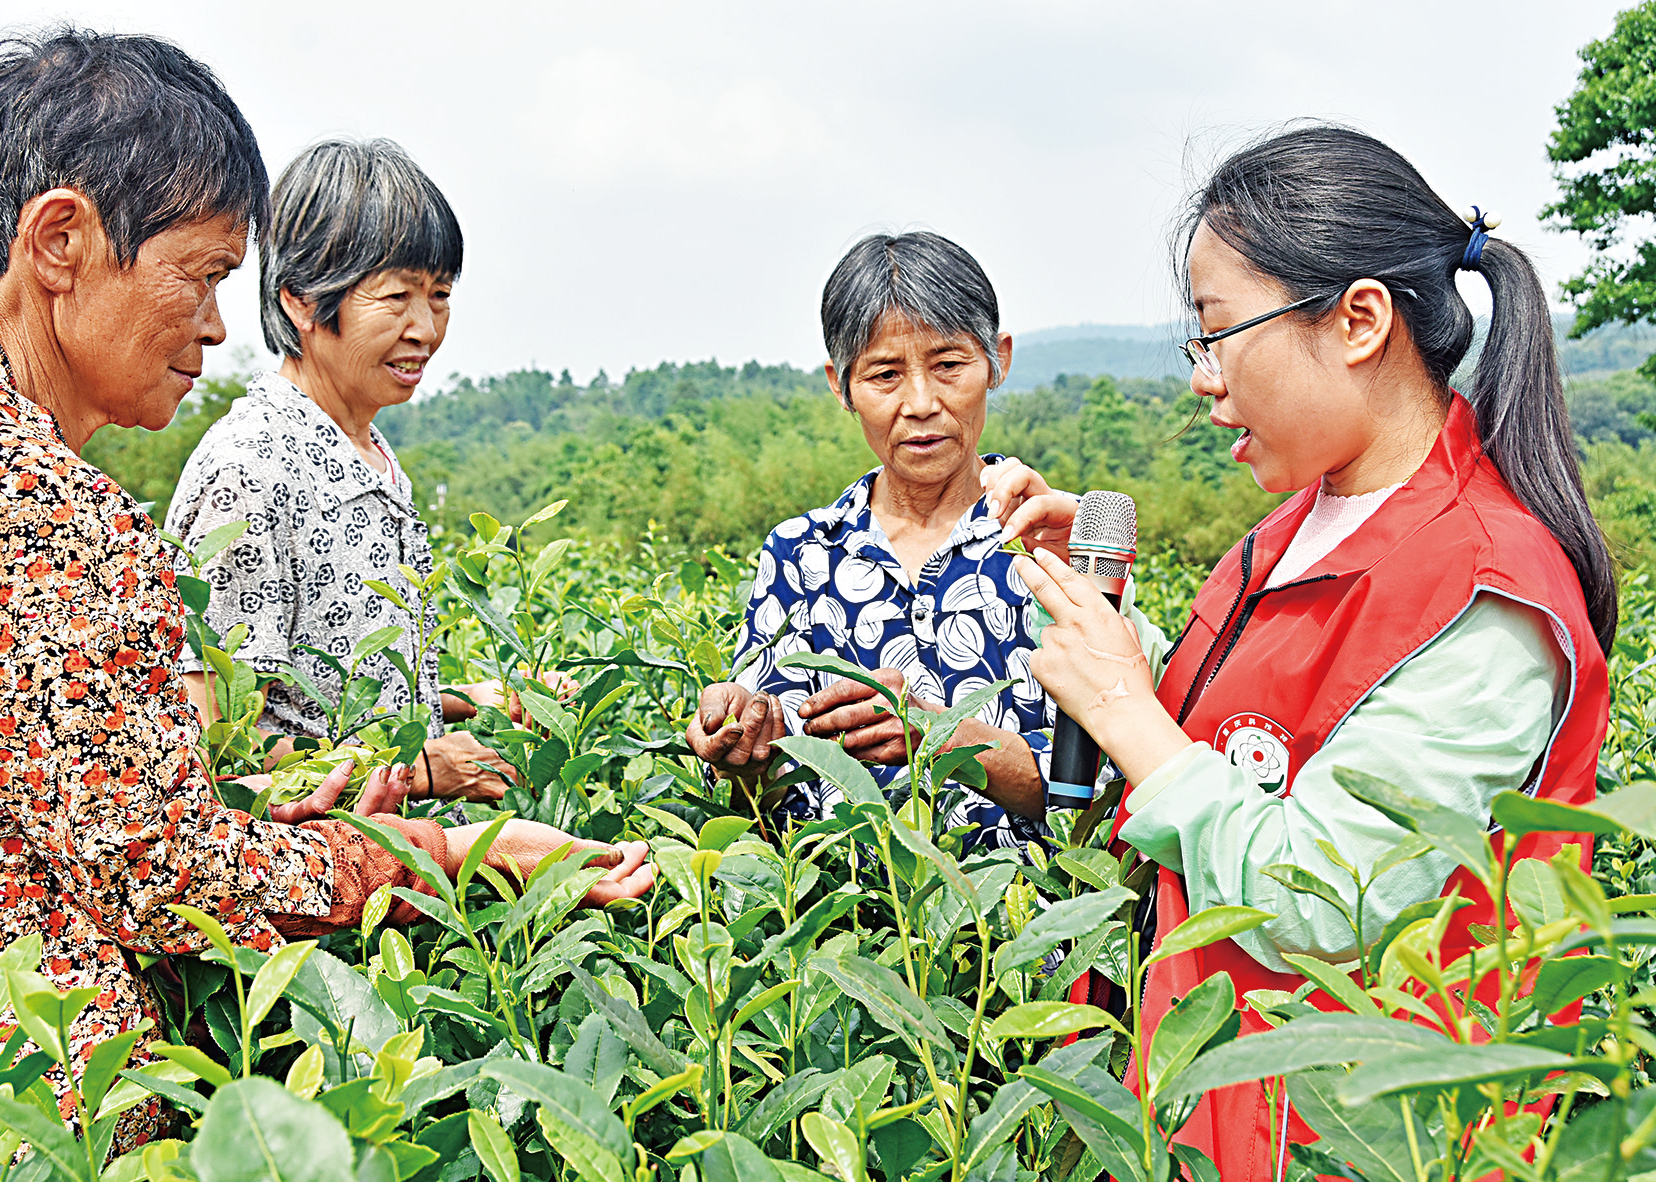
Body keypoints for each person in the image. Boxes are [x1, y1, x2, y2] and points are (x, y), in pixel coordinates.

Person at [0, 29, 651, 1142]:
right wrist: (441, 853)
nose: (209, 323)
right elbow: (162, 870)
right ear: (61, 241)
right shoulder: (39, 503)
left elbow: (82, 800)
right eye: (196, 276)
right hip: (11, 1107)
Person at [991, 124, 1615, 1176]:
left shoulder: (1488, 594)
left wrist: (1124, 709)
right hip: (1209, 1111)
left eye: (1218, 332)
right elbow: (1245, 737)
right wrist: (1107, 625)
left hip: (1359, 1141)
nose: (1202, 380)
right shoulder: (1293, 527)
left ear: (1358, 321)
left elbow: (1324, 903)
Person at [167, 138, 522, 802]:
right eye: (396, 298)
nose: (425, 328)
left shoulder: (370, 455)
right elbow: (216, 748)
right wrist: (420, 772)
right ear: (302, 300)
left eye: (439, 296)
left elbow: (326, 697)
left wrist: (463, 702)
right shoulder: (252, 471)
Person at [686, 231, 1056, 851]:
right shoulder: (800, 554)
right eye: (885, 374)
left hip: (1018, 932)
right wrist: (739, 739)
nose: (920, 403)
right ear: (841, 385)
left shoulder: (1054, 543)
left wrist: (939, 736)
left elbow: (1101, 791)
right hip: (839, 927)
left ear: (999, 361)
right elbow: (764, 794)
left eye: (949, 366)